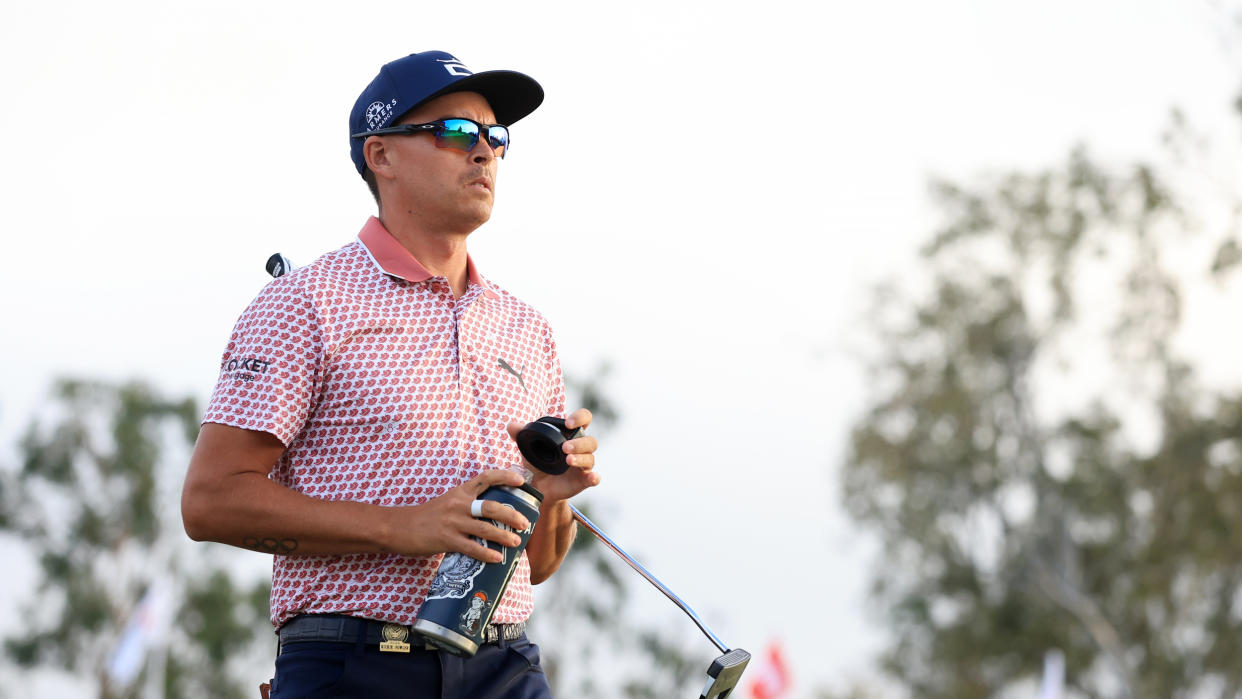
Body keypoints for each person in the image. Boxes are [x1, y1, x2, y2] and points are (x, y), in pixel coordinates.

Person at [180, 50, 599, 698]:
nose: (484, 152)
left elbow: (536, 565)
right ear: (382, 155)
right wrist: (402, 526)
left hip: (506, 667)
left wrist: (552, 494)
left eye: (496, 137)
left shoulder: (527, 327)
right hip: (355, 663)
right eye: (458, 132)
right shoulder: (306, 302)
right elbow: (209, 500)